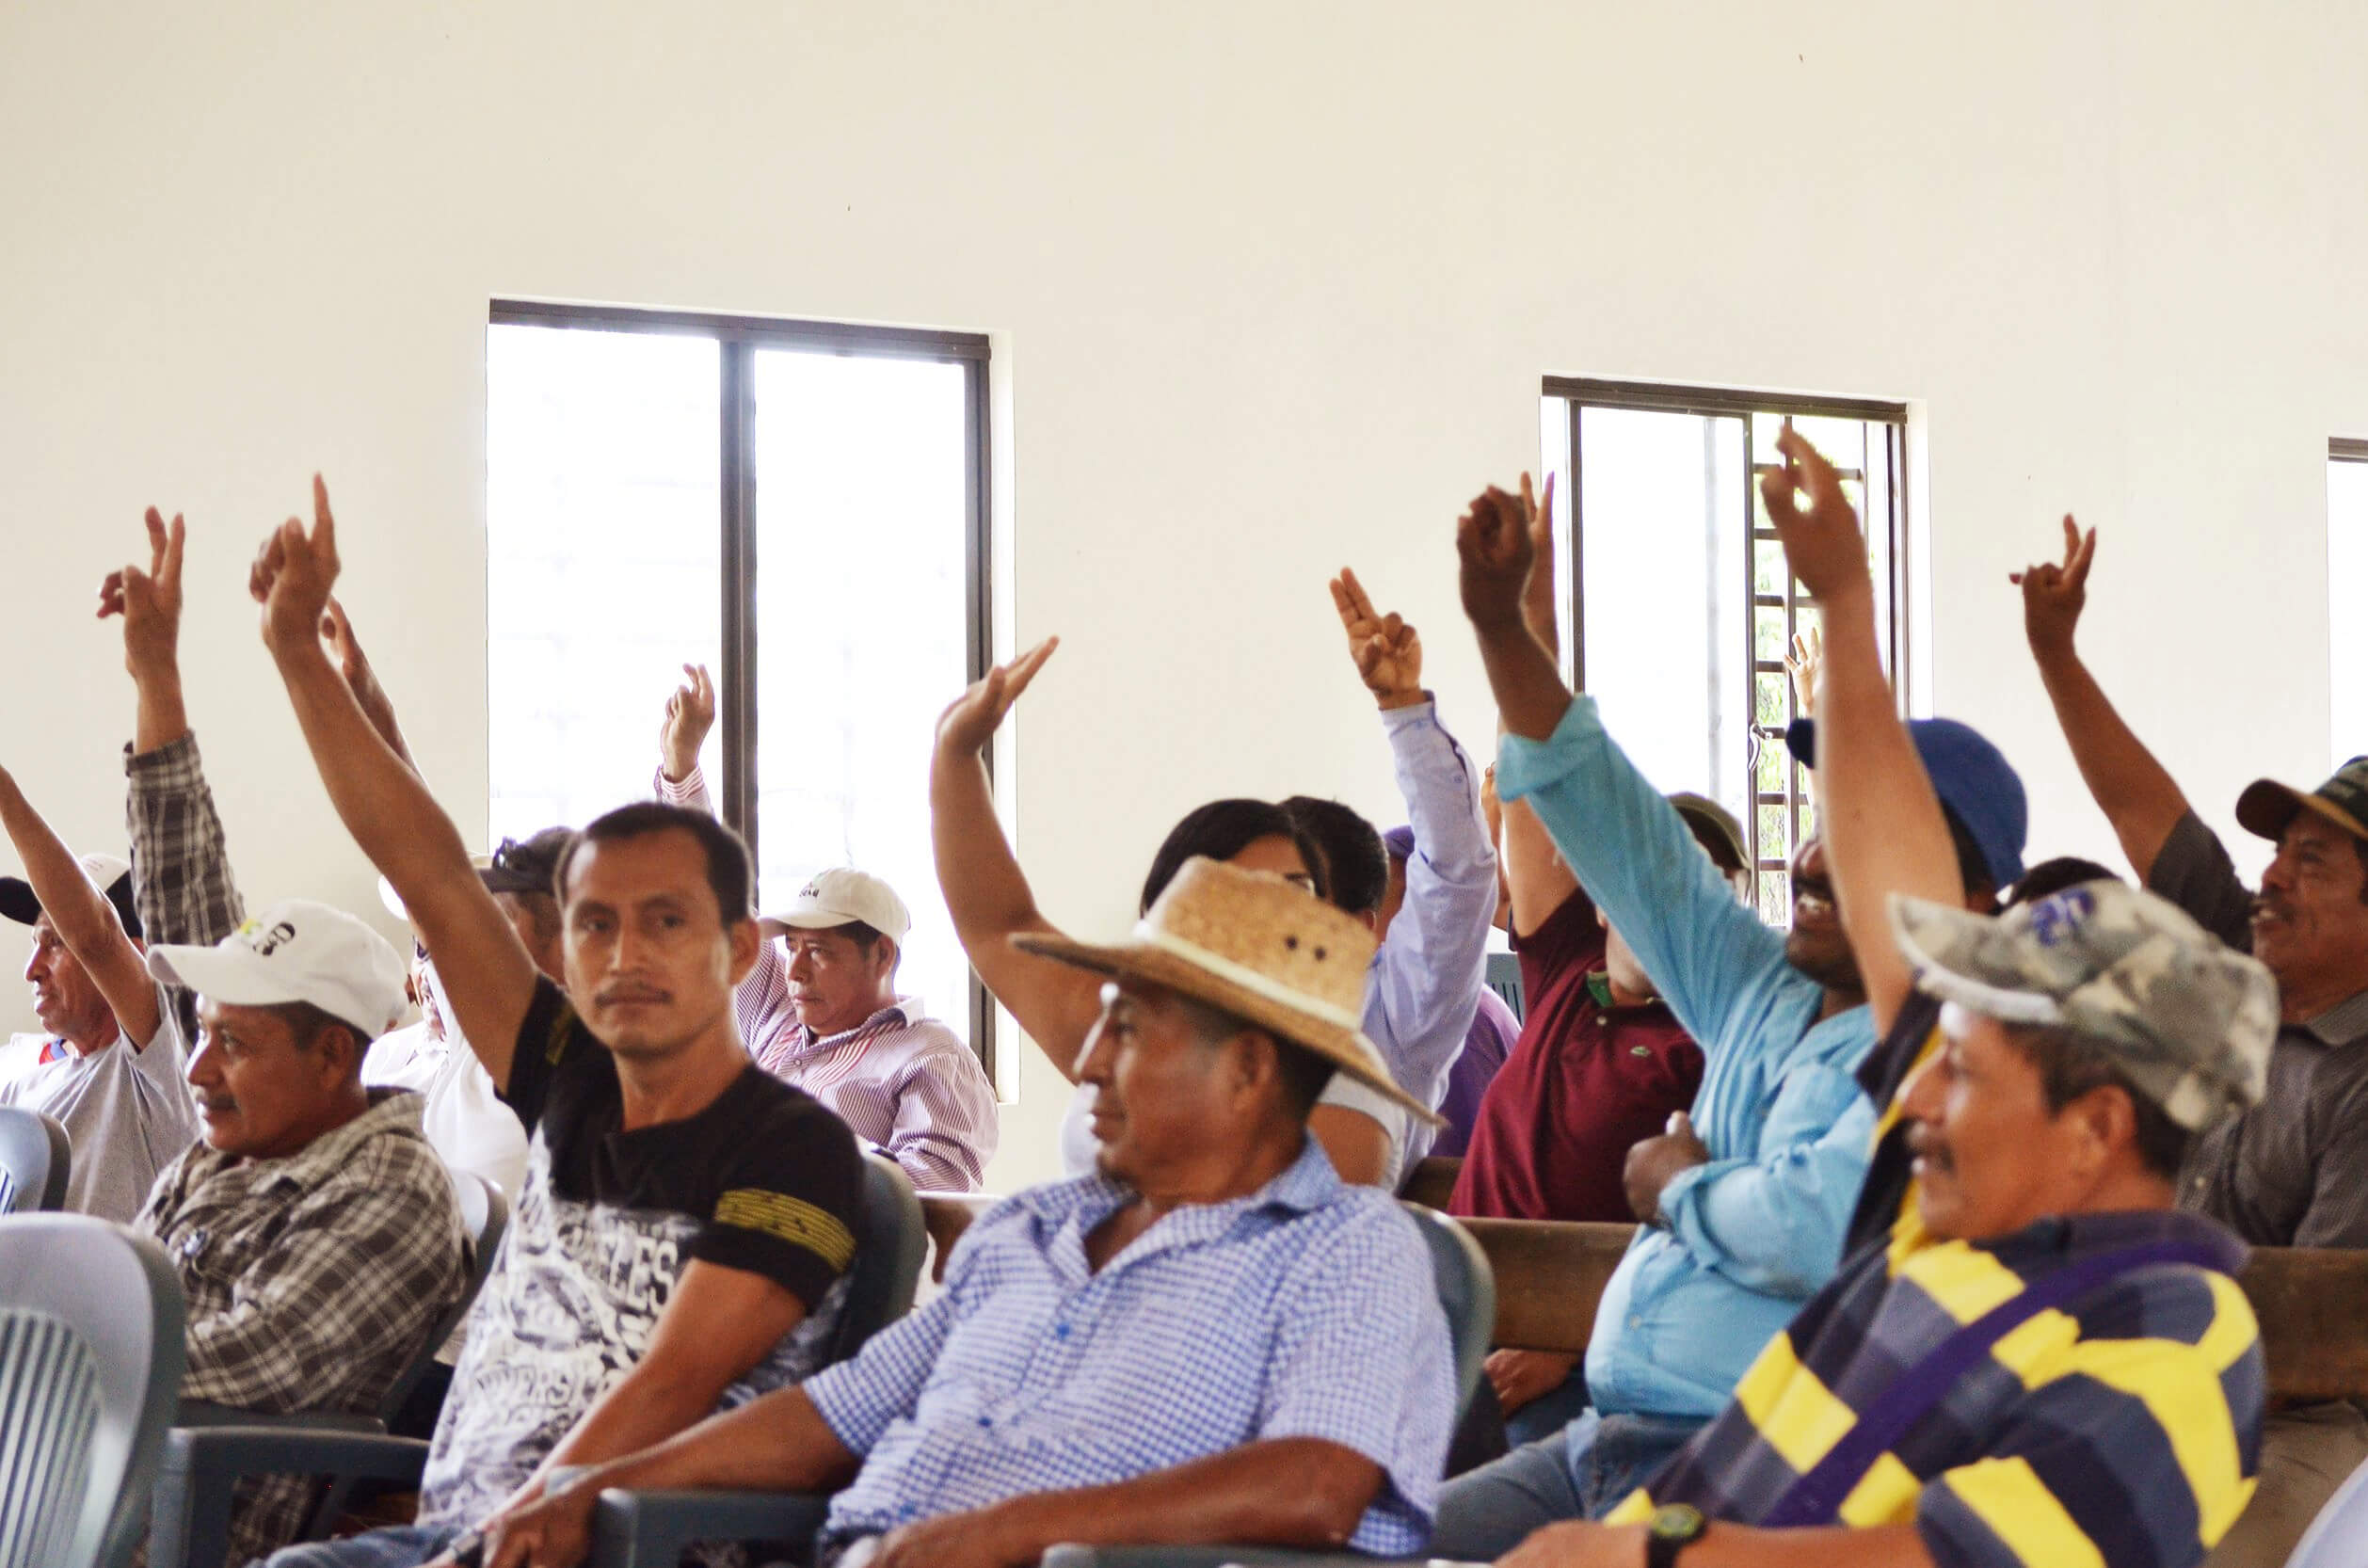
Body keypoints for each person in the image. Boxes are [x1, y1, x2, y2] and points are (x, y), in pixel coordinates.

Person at [464, 858, 1456, 1568]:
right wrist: (585, 1483)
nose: (1091, 1060)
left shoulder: (1347, 1247)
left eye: (1129, 1029)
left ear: (1247, 1069)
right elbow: (830, 1412)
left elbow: (1317, 1485)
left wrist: (1012, 1529)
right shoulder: (1034, 1229)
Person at [248, 478, 865, 1568]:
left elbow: (676, 1382)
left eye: (664, 923)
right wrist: (296, 653)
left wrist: (515, 1522)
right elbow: (427, 870)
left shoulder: (793, 1144)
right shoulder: (568, 1076)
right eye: (595, 926)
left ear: (737, 949)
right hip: (456, 1539)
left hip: (612, 1547)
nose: (624, 956)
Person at [1432, 471, 2031, 1548]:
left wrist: (1682, 1183)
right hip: (1600, 1440)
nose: (1814, 856)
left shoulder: (1961, 1058)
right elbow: (1601, 810)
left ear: (1971, 897)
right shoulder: (1756, 981)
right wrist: (1500, 625)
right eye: (1821, 814)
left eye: (1863, 832)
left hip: (1761, 1473)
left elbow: (1822, 1224)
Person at [1495, 880, 2273, 1568]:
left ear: (2094, 1131)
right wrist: (1844, 703)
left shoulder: (2179, 1337)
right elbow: (1886, 847)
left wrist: (1654, 1551)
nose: (1913, 1099)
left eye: (1959, 1068)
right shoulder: (1940, 1244)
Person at [2011, 513, 2368, 1567]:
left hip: (2299, 1427)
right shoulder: (2232, 968)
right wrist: (2053, 653)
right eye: (2275, 853)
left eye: (2310, 860)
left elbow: (2314, 1330)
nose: (2267, 878)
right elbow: (2139, 809)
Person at [929, 637, 1426, 1187]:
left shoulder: (1337, 1085)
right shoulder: (1127, 1021)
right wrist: (954, 754)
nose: (1277, 915)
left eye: (1296, 890)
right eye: (1242, 893)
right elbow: (1001, 929)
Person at [139, 898, 471, 1568]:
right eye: (203, 1034)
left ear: (329, 1057)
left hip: (148, 1526)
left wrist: (53, 1357)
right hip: (66, 1469)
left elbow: (259, 1359)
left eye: (231, 1042)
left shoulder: (392, 1185)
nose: (198, 1070)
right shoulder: (234, 1147)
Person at [652, 668, 999, 1190]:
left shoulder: (931, 1057)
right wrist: (683, 771)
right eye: (790, 946)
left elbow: (933, 1202)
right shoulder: (778, 1017)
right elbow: (710, 904)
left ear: (882, 956)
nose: (795, 969)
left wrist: (800, 1154)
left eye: (818, 951)